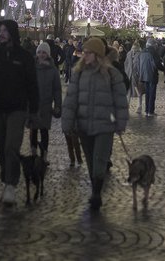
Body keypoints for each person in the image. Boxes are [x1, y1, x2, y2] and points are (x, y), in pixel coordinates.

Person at [0, 20, 39, 207]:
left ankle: (11, 184)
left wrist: (33, 111)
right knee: (1, 147)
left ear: (12, 32)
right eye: (0, 30)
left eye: (5, 30)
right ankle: (6, 179)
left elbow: (32, 86)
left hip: (17, 109)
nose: (1, 33)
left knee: (11, 146)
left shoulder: (25, 57)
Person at [60, 37, 129, 210]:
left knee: (99, 159)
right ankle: (95, 188)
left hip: (104, 126)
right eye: (84, 52)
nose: (85, 55)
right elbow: (71, 100)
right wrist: (67, 124)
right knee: (90, 161)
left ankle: (96, 193)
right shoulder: (79, 73)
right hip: (83, 126)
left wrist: (120, 123)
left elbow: (120, 100)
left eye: (88, 52)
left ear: (97, 54)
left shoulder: (111, 74)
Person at [30, 41, 62, 157]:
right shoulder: (32, 68)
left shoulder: (53, 70)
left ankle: (44, 155)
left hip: (46, 105)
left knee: (44, 131)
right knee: (33, 130)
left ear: (48, 54)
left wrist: (58, 105)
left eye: (44, 52)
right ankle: (33, 153)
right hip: (33, 105)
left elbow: (57, 89)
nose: (41, 54)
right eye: (39, 52)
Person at [139, 38, 162, 116]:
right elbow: (157, 64)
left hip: (144, 75)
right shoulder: (153, 52)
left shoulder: (142, 52)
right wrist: (164, 69)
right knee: (152, 93)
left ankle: (146, 110)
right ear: (153, 44)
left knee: (147, 93)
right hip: (152, 75)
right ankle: (150, 111)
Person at [124, 41, 144, 113]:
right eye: (133, 48)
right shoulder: (129, 54)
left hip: (137, 76)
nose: (134, 49)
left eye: (135, 48)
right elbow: (126, 64)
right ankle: (127, 106)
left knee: (139, 92)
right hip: (129, 75)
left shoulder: (140, 54)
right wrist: (126, 72)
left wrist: (140, 74)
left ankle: (139, 106)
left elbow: (141, 65)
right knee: (128, 92)